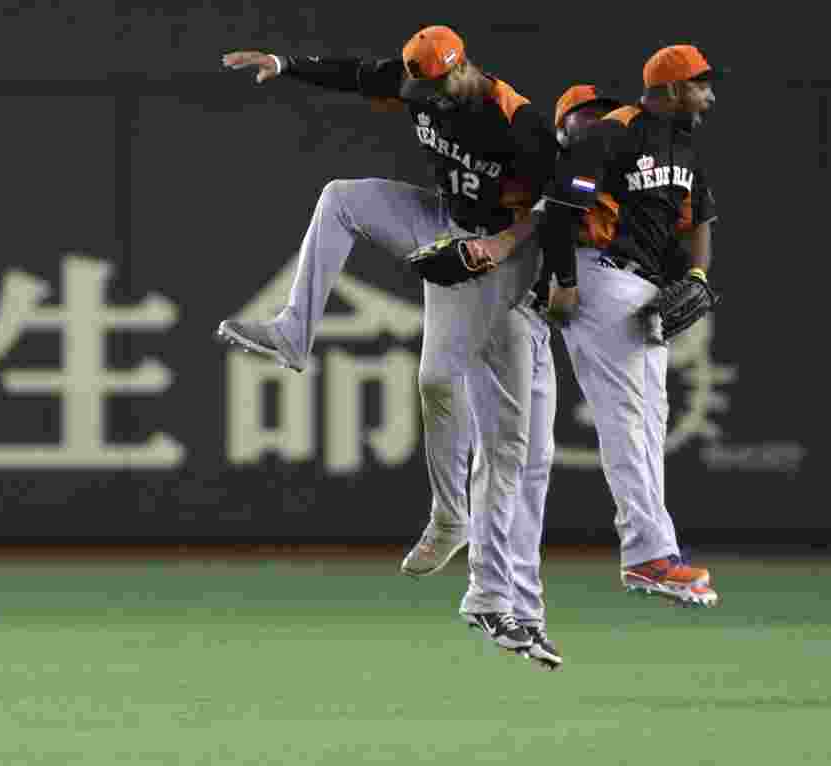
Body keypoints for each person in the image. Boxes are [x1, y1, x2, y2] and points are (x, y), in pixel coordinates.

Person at [215, 26, 565, 652]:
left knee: (444, 386)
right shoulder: (420, 86)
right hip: (442, 222)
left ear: (466, 66)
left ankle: (458, 528)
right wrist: (284, 62)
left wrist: (493, 250)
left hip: (504, 253)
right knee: (341, 198)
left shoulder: (518, 123)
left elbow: (550, 213)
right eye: (424, 85)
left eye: (443, 81)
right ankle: (294, 334)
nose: (433, 93)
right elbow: (353, 73)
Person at [485, 47, 724, 607]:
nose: (710, 96)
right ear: (670, 88)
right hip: (601, 276)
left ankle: (652, 554)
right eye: (702, 85)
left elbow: (701, 221)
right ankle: (649, 555)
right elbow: (561, 209)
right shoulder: (611, 135)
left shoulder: (683, 147)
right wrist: (565, 280)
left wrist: (694, 274)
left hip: (644, 291)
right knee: (628, 420)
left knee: (646, 422)